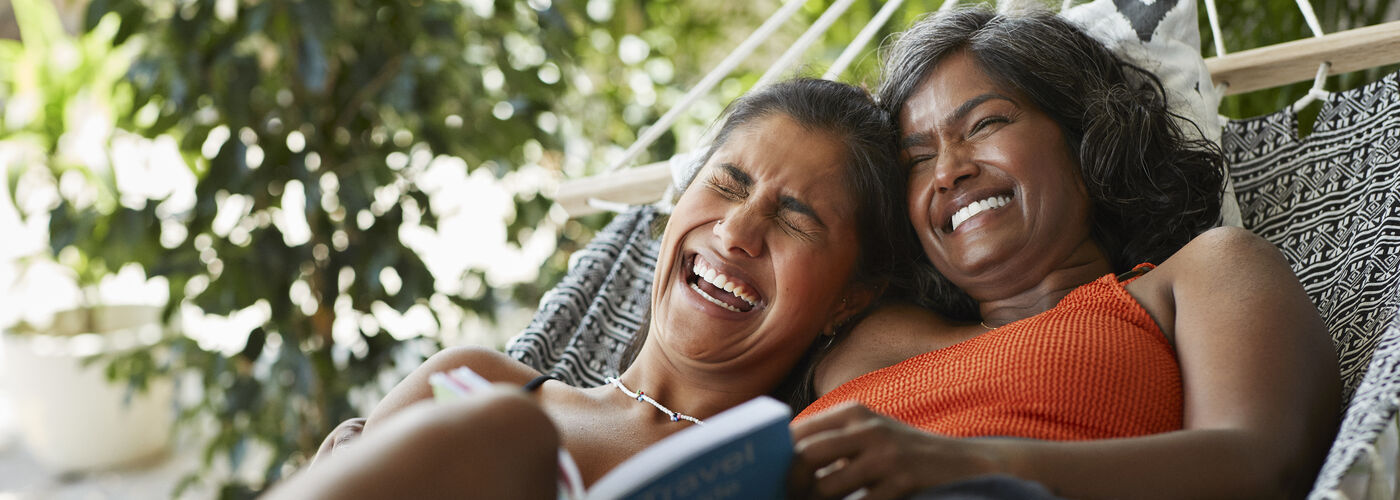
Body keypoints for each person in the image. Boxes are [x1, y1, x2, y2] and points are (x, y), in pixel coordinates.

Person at [787, 8, 1341, 500]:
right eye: (917, 159)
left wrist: (968, 463)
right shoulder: (858, 337)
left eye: (985, 124)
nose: (948, 170)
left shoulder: (1199, 275)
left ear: (1088, 137)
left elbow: (1261, 463)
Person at [268, 77, 911, 498]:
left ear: (852, 297)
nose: (738, 231)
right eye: (727, 184)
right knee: (508, 430)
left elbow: (1007, 336)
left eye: (796, 219)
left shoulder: (783, 472)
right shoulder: (480, 378)